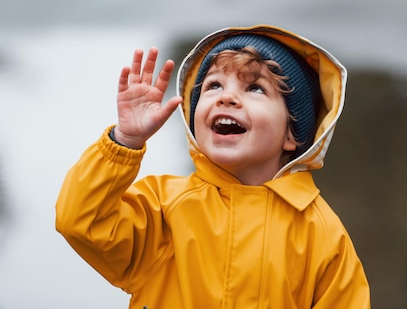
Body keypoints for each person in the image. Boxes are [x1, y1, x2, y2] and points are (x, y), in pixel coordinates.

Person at [55, 24, 371, 308]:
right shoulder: (165, 208)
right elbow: (81, 221)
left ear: (293, 132)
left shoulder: (321, 234)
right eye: (214, 86)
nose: (227, 98)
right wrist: (125, 141)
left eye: (254, 88)